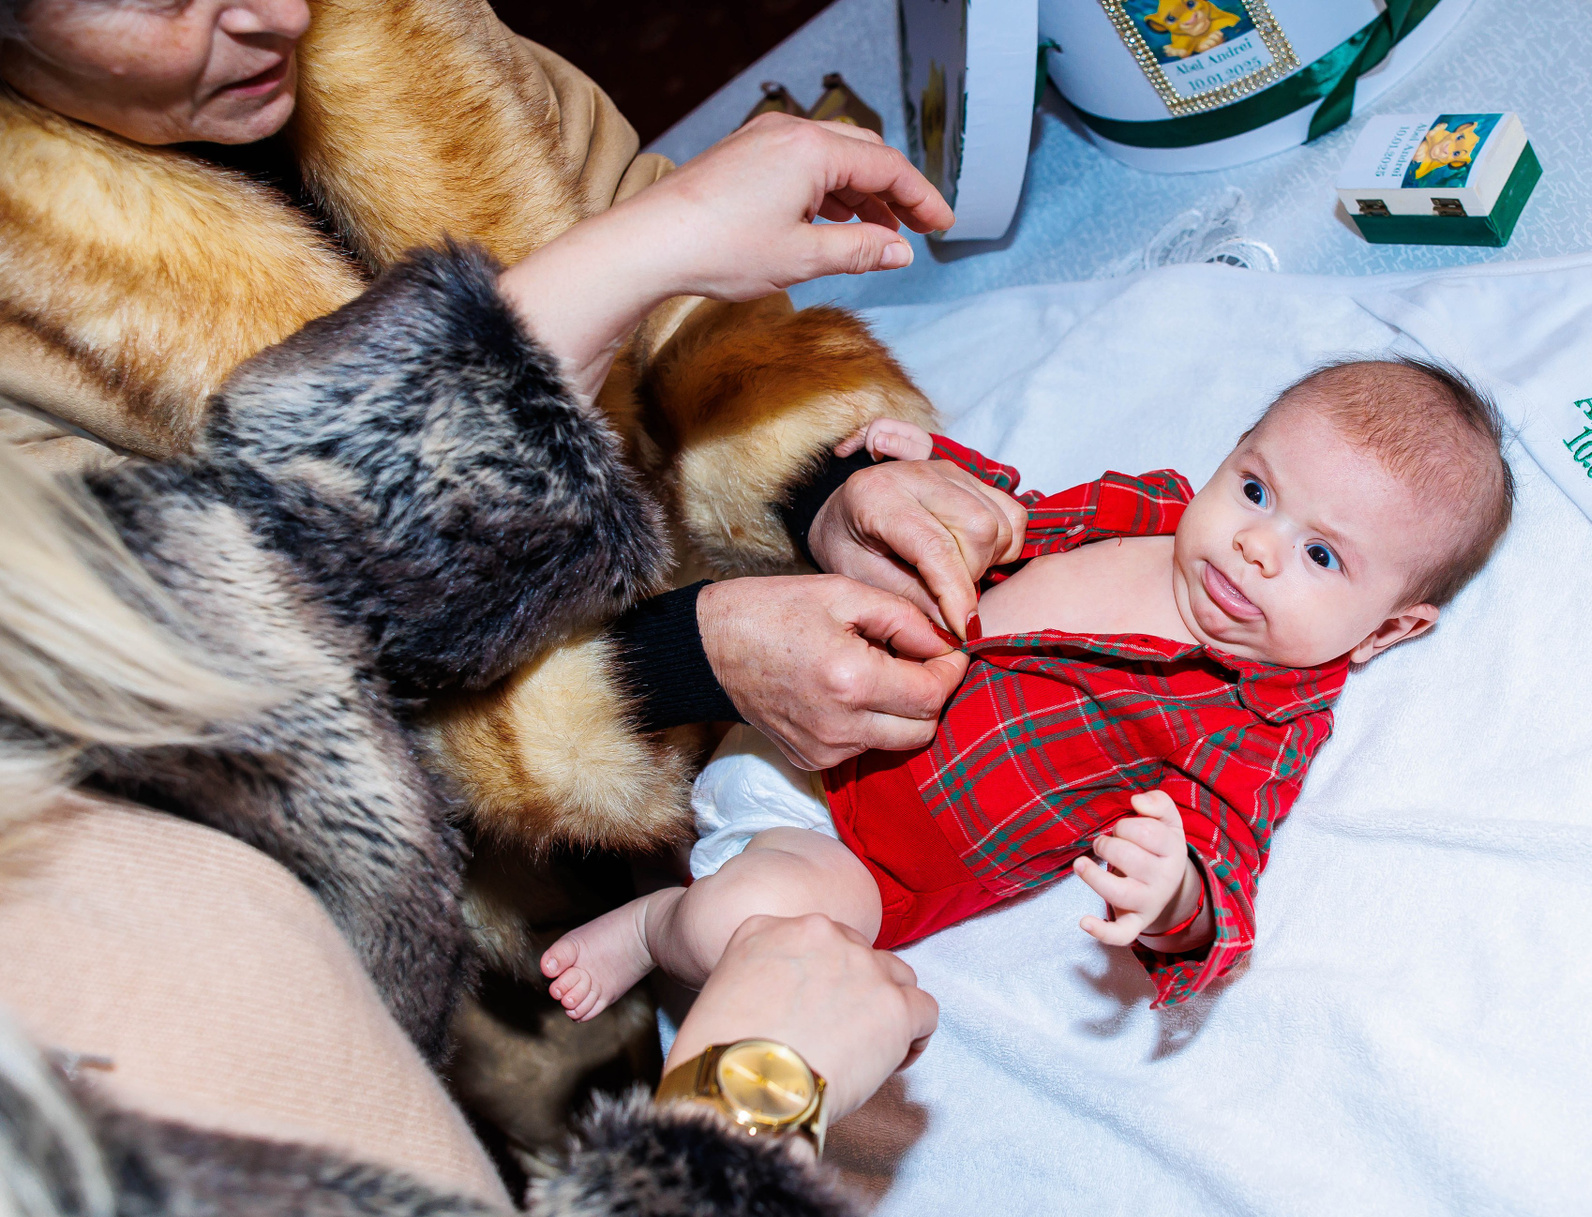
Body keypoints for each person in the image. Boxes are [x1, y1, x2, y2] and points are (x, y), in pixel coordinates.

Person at [0, 0, 1026, 1146]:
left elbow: (654, 256)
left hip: (775, 703)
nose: (275, 14)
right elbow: (240, 704)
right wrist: (674, 663)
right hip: (488, 921)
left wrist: (819, 482)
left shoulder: (403, 25)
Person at [542, 361, 1515, 1017]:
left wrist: (1176, 893)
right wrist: (936, 470)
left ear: (1388, 630)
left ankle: (653, 925)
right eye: (1256, 489)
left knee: (736, 932)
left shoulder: (1259, 715)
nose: (1257, 544)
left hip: (856, 857)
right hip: (801, 693)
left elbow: (1228, 847)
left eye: (1320, 554)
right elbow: (1017, 517)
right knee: (613, 657)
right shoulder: (1152, 507)